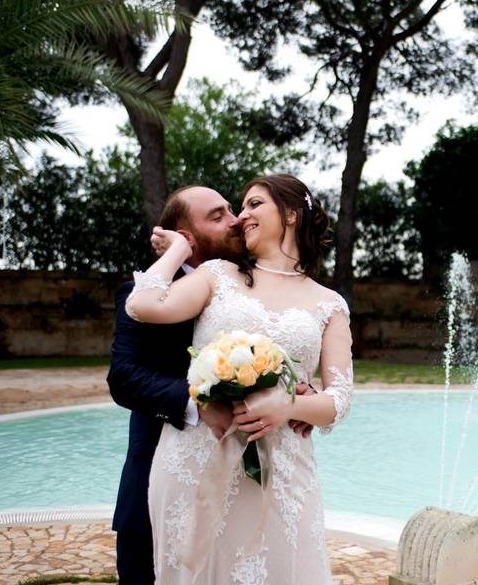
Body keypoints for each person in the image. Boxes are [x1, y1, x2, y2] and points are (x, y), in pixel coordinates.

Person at [125, 174, 353, 584]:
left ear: (290, 215)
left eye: (252, 204)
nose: (240, 216)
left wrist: (290, 405)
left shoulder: (329, 304)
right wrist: (180, 248)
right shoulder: (216, 276)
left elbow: (339, 400)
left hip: (281, 473)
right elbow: (142, 305)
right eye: (238, 207)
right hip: (194, 461)